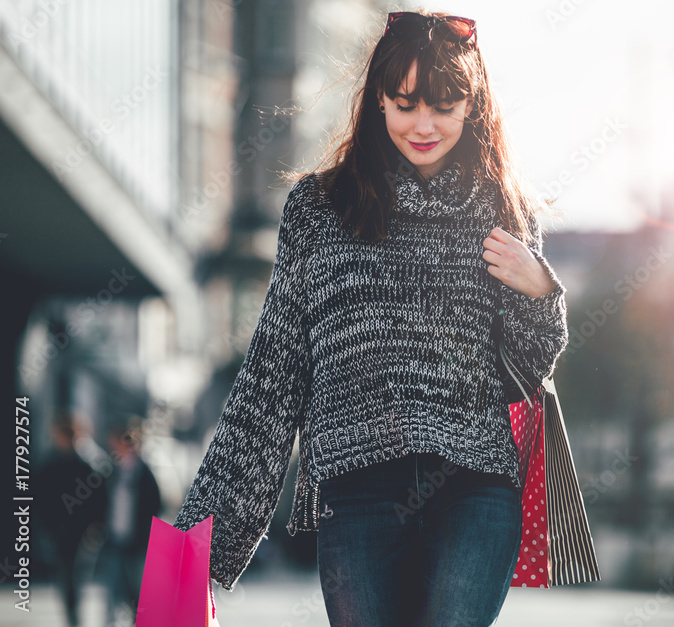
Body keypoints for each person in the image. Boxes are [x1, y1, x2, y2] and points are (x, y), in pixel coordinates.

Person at [173, 8, 569, 626]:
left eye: (444, 104)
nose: (424, 124)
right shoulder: (319, 209)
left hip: (475, 488)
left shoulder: (505, 209)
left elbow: (525, 368)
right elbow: (272, 381)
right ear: (377, 99)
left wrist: (542, 292)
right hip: (356, 489)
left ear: (473, 104)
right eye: (405, 102)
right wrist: (196, 557)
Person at [36, 417, 107, 627]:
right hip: (57, 533)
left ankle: (74, 617)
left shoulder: (86, 466)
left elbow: (98, 501)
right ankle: (72, 617)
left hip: (82, 533)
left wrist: (94, 528)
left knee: (75, 577)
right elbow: (40, 499)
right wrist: (47, 527)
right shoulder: (49, 465)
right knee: (65, 577)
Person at [102, 421, 162, 625]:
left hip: (138, 544)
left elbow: (155, 505)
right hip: (114, 540)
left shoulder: (144, 472)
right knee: (113, 592)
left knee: (138, 593)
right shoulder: (112, 469)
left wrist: (146, 535)